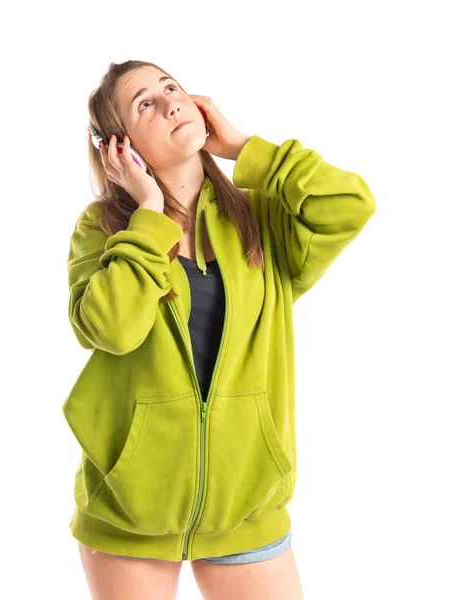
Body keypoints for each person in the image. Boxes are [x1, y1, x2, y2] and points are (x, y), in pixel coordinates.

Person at [63, 59, 376, 599]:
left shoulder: (262, 221)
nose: (169, 103)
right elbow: (112, 329)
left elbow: (351, 204)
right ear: (119, 148)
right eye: (145, 104)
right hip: (129, 511)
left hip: (245, 504)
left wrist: (246, 149)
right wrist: (152, 213)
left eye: (172, 88)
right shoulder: (103, 230)